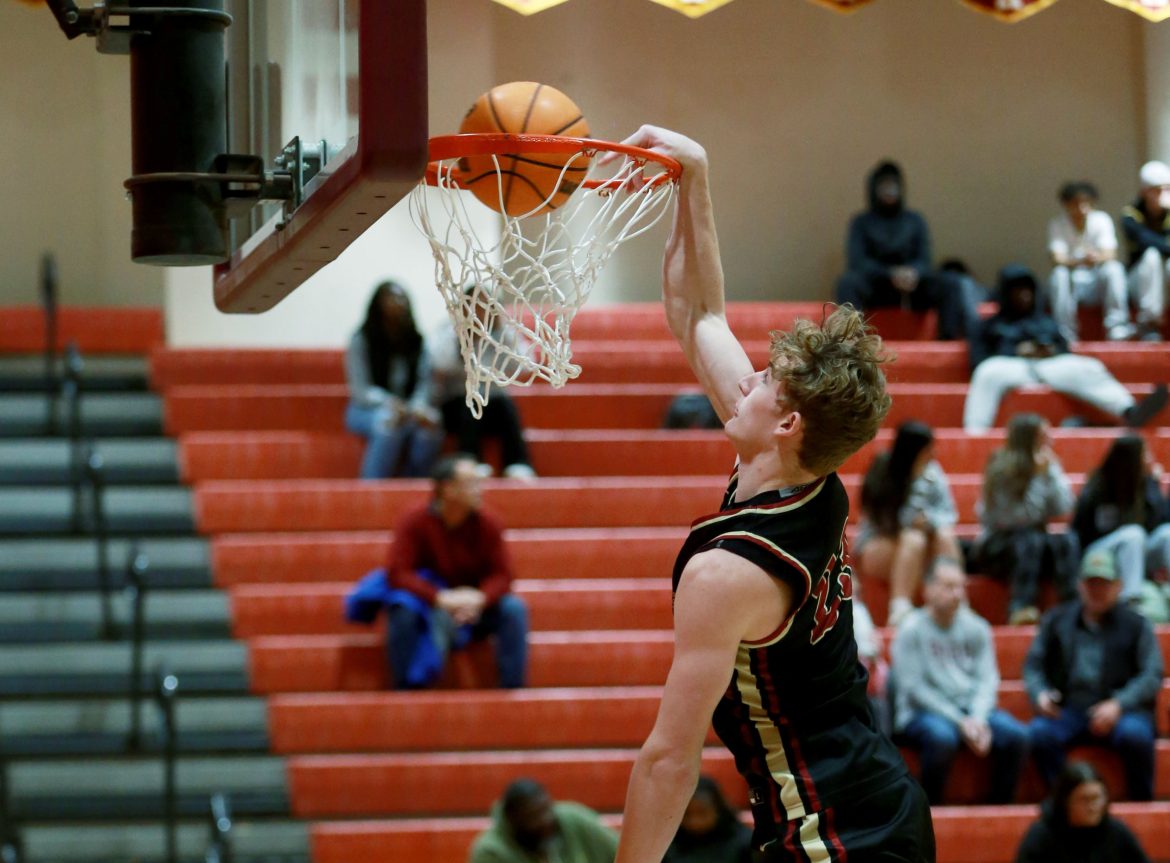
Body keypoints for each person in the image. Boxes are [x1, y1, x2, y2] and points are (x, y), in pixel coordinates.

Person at [612, 126, 934, 863]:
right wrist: (693, 177)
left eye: (762, 378)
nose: (746, 376)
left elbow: (670, 761)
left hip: (834, 830)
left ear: (786, 419)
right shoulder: (803, 470)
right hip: (874, 802)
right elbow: (698, 316)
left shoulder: (727, 573)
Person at [1023, 548, 1164, 801]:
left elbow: (1152, 674)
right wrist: (1040, 694)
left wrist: (1119, 704)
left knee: (1136, 735)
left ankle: (1141, 803)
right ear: (1079, 585)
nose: (1097, 590)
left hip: (1121, 710)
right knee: (1039, 733)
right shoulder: (1056, 620)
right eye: (1091, 583)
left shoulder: (1137, 624)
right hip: (1069, 708)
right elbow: (1033, 666)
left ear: (1119, 586)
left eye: (1104, 584)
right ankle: (1064, 802)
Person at [962, 264, 1169, 432]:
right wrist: (1015, 351)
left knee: (1088, 366)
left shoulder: (1046, 322)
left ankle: (1130, 410)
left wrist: (1048, 351)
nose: (1024, 296)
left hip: (1050, 366)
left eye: (1028, 290)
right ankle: (975, 434)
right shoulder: (988, 325)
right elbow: (977, 361)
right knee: (985, 372)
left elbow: (1065, 350)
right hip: (1010, 367)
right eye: (1018, 290)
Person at [890, 556, 1029, 805]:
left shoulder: (977, 627)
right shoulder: (910, 629)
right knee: (942, 738)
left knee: (1017, 736)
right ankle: (930, 808)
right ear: (928, 589)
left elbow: (988, 679)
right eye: (948, 586)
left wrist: (976, 718)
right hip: (921, 712)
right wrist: (961, 721)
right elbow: (914, 689)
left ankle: (998, 807)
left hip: (970, 710)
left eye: (960, 586)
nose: (956, 594)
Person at [385, 454, 528, 689]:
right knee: (402, 609)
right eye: (472, 483)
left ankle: (513, 693)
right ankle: (405, 692)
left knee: (513, 609)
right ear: (448, 489)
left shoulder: (488, 523)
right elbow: (398, 573)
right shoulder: (414, 521)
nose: (480, 489)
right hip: (429, 606)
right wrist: (440, 598)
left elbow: (503, 575)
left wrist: (480, 598)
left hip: (474, 608)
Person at [835, 160, 976, 340]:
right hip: (877, 287)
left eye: (893, 185)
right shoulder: (861, 222)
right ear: (874, 189)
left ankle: (946, 340)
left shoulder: (914, 220)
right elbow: (857, 261)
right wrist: (890, 274)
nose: (889, 191)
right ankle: (849, 343)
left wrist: (912, 272)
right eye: (884, 186)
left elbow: (925, 259)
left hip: (913, 287)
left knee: (951, 282)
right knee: (847, 283)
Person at [973, 413, 1079, 625]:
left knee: (1066, 540)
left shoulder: (1047, 464)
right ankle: (1021, 606)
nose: (1051, 440)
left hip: (1033, 544)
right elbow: (1022, 517)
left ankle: (1073, 604)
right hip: (997, 547)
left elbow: (1065, 506)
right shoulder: (1001, 468)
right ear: (1029, 438)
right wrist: (1038, 478)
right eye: (1044, 435)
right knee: (1029, 538)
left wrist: (1051, 474)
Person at [856, 420, 962, 627]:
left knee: (944, 536)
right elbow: (879, 519)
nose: (933, 454)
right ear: (913, 450)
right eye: (928, 449)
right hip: (880, 545)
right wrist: (910, 522)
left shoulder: (933, 471)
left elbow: (949, 513)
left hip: (920, 549)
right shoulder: (882, 470)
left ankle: (958, 598)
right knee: (913, 538)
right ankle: (900, 608)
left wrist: (928, 521)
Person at [429, 289, 537, 479]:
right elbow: (439, 363)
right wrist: (465, 340)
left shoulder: (504, 332)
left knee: (507, 405)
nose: (481, 311)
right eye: (476, 305)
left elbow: (527, 364)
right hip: (456, 406)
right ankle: (470, 461)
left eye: (488, 306)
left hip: (493, 404)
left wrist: (503, 335)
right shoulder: (449, 331)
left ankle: (517, 464)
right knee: (472, 401)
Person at [344, 280, 443, 479]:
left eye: (401, 298)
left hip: (409, 408)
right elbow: (361, 391)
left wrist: (416, 408)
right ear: (378, 305)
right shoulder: (361, 340)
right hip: (367, 409)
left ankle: (416, 488)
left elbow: (424, 384)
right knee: (388, 426)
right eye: (390, 298)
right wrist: (391, 404)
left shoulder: (417, 341)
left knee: (431, 428)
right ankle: (371, 488)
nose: (397, 303)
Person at [1071, 434, 1170, 605]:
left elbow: (1160, 520)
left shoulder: (1147, 484)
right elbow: (1082, 528)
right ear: (1131, 458)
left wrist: (1154, 485)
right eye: (1145, 453)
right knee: (1134, 534)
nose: (1150, 459)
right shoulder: (1099, 485)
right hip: (1100, 551)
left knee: (1167, 533)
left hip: (1138, 550)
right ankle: (1131, 601)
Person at [1013, 761, 1152, 863]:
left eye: (1097, 798)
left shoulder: (1117, 832)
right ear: (1065, 802)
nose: (1093, 807)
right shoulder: (1041, 836)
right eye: (1084, 799)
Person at [1045, 181, 1131, 342]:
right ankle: (1065, 333)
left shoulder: (1101, 220)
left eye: (1086, 202)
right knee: (1059, 274)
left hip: (1096, 282)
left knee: (1114, 269)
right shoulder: (1057, 224)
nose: (1082, 208)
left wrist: (1095, 258)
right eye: (1076, 203)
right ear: (1066, 204)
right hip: (1072, 284)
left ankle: (1117, 327)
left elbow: (1110, 254)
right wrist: (1079, 261)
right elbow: (1056, 258)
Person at [468, 778, 618, 863]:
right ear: (512, 819)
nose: (546, 821)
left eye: (547, 810)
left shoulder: (574, 818)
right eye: (533, 816)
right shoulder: (490, 852)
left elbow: (624, 850)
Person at [1120, 160, 1170, 342]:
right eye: (1157, 190)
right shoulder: (1130, 215)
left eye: (1166, 189)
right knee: (1152, 256)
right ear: (1144, 192)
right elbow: (1148, 241)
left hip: (1165, 281)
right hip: (1139, 281)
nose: (1162, 195)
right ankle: (1150, 324)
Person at [665, 775, 757, 863]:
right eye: (687, 815)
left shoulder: (745, 842)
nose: (695, 822)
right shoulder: (667, 845)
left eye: (702, 813)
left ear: (718, 809)